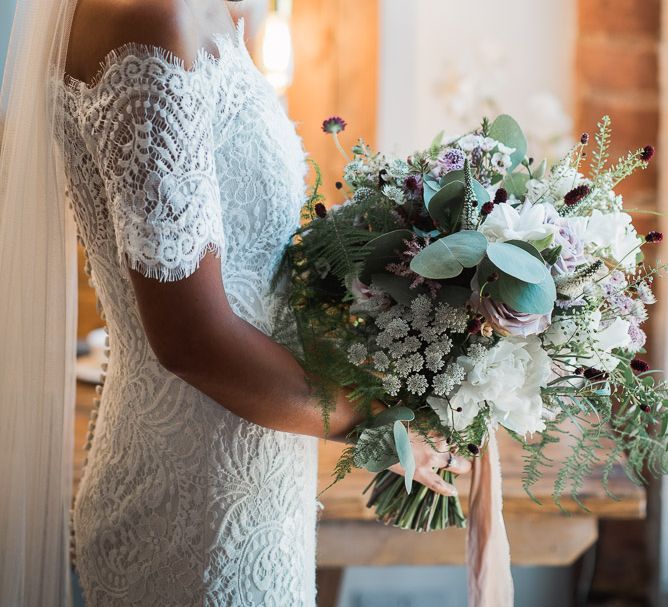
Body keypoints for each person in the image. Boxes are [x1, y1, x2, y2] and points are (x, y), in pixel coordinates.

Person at [0, 1, 469, 605]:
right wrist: (380, 417)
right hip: (199, 498)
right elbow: (193, 344)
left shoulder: (211, 11)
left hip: (258, 459)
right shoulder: (150, 22)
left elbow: (256, 267)